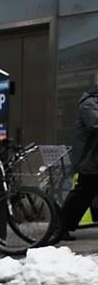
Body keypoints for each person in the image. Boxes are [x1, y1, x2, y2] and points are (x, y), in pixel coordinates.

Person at [59, 77, 98, 238]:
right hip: (90, 160)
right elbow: (95, 124)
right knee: (82, 194)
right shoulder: (89, 104)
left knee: (86, 193)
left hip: (94, 159)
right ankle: (60, 226)